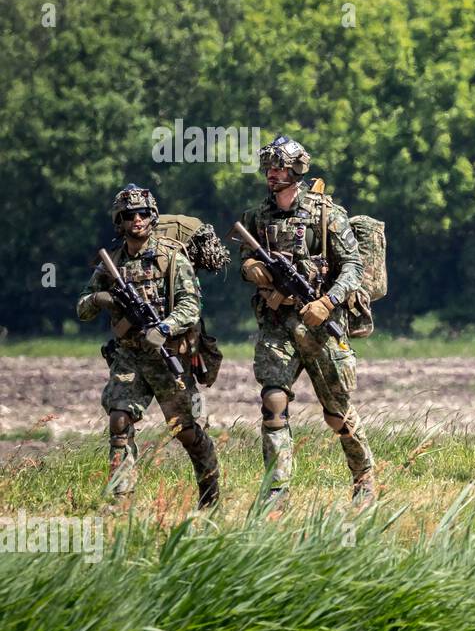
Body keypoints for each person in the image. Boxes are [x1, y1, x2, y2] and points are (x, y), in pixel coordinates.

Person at [238, 135, 375, 506]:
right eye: (268, 166)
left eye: (279, 166)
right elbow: (244, 258)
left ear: (296, 169)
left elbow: (354, 267)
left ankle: (364, 478)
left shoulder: (326, 214)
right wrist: (251, 268)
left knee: (337, 414)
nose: (272, 173)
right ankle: (276, 489)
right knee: (273, 401)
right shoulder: (257, 217)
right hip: (277, 324)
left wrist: (328, 302)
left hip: (319, 325)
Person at [76, 184, 220, 508]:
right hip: (129, 356)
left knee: (185, 430)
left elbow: (191, 305)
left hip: (167, 354)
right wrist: (101, 298)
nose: (137, 219)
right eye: (129, 215)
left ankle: (210, 492)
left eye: (142, 213)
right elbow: (82, 308)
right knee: (119, 420)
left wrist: (165, 327)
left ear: (152, 216)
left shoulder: (171, 257)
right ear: (120, 221)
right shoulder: (110, 263)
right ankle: (120, 501)